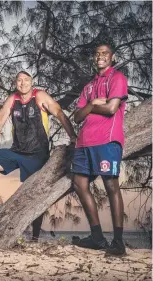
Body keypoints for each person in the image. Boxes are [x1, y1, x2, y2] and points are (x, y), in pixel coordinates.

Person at [0, 71, 77, 240]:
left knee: (36, 196)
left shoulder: (40, 96)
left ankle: (35, 237)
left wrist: (73, 137)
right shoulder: (12, 100)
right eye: (19, 80)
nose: (23, 83)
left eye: (26, 80)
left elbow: (59, 113)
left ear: (32, 82)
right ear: (15, 83)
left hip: (38, 155)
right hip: (17, 152)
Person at [71, 42, 128, 256]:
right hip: (84, 141)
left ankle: (119, 242)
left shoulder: (117, 78)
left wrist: (91, 107)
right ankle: (97, 237)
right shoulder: (88, 86)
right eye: (96, 54)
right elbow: (77, 117)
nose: (100, 56)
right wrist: (94, 103)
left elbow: (112, 108)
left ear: (112, 57)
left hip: (107, 140)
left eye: (104, 53)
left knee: (111, 185)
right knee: (79, 183)